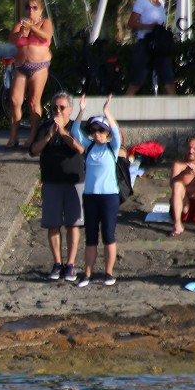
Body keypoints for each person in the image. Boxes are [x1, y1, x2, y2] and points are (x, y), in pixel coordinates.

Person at [30, 92, 85, 282]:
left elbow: (80, 148)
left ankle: (70, 264)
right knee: (52, 224)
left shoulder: (77, 128)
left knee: (73, 224)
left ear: (70, 109)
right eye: (54, 108)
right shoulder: (46, 128)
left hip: (73, 182)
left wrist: (63, 132)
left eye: (62, 108)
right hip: (51, 182)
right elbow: (33, 150)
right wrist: (49, 136)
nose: (58, 111)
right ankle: (57, 263)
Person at [71, 96, 122, 287]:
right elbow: (75, 130)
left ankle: (108, 273)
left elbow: (116, 132)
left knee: (108, 234)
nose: (97, 133)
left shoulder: (112, 147)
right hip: (90, 196)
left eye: (101, 130)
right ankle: (88, 274)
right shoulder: (89, 146)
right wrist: (81, 110)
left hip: (109, 197)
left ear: (107, 132)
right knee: (91, 236)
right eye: (95, 130)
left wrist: (107, 112)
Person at [8, 0, 54, 148]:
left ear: (40, 10)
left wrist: (32, 28)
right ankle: (14, 136)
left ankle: (33, 136)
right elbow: (12, 40)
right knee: (15, 101)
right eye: (28, 7)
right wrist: (21, 31)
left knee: (34, 102)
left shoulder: (45, 23)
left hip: (39, 66)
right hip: (21, 67)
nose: (30, 10)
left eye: (34, 8)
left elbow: (46, 36)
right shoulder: (20, 24)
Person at [125, 0, 175, 96]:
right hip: (145, 45)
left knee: (168, 82)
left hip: (159, 46)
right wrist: (149, 26)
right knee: (136, 83)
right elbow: (131, 24)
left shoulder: (162, 2)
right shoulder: (142, 2)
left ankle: (175, 114)